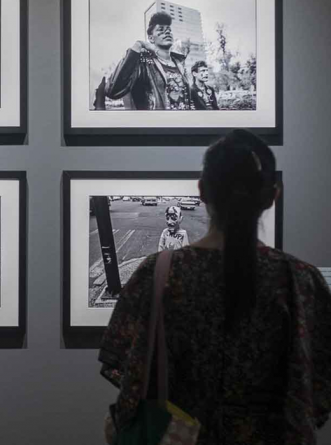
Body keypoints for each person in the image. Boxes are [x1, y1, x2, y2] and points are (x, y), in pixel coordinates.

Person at [98, 129, 331, 444]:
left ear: (203, 191)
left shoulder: (158, 274)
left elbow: (129, 376)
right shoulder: (301, 281)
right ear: (271, 195)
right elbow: (317, 393)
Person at [105, 11, 192, 110]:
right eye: (161, 30)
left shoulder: (179, 63)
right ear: (151, 38)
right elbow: (112, 91)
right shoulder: (143, 63)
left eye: (169, 30)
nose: (167, 32)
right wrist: (138, 45)